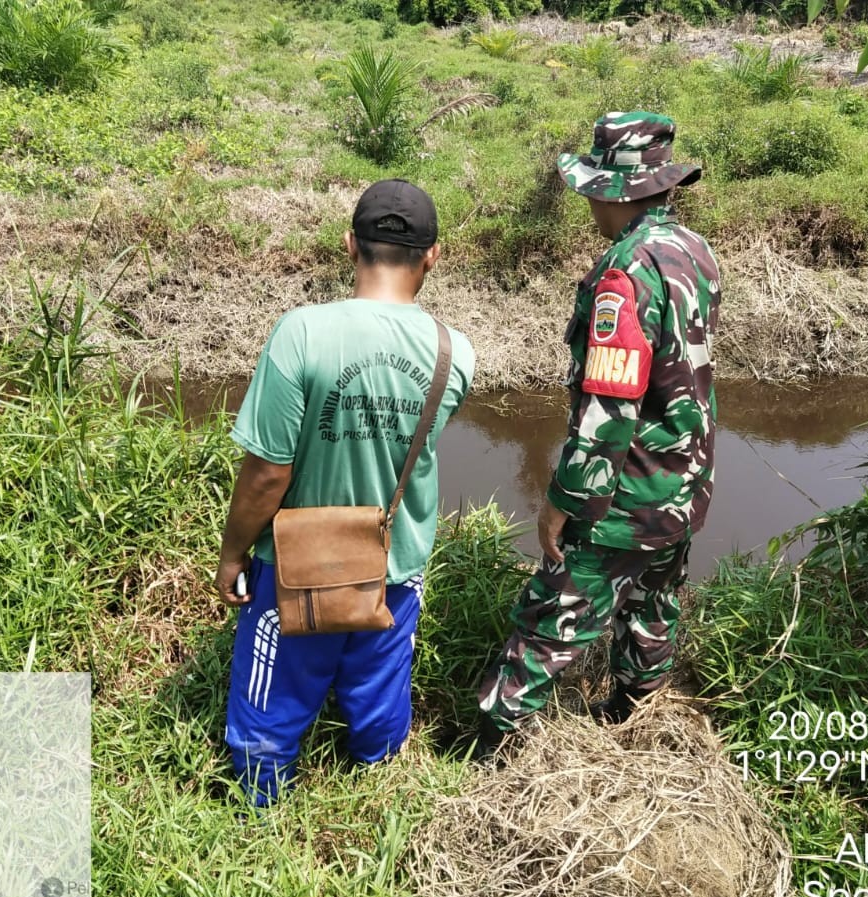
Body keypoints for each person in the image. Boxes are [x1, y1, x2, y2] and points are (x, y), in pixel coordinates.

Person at [215, 179, 475, 806]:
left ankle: (259, 804)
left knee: (272, 697)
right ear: (432, 255)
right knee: (380, 688)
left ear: (349, 244)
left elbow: (268, 471)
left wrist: (231, 554)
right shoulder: (453, 352)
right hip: (394, 565)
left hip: (301, 568)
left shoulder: (301, 333)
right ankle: (376, 793)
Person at [475, 111, 720, 749]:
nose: (587, 200)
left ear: (614, 191)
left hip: (624, 497)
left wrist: (564, 502)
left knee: (550, 621)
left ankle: (488, 745)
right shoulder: (694, 250)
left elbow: (609, 409)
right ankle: (634, 721)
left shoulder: (625, 273)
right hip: (682, 487)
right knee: (653, 609)